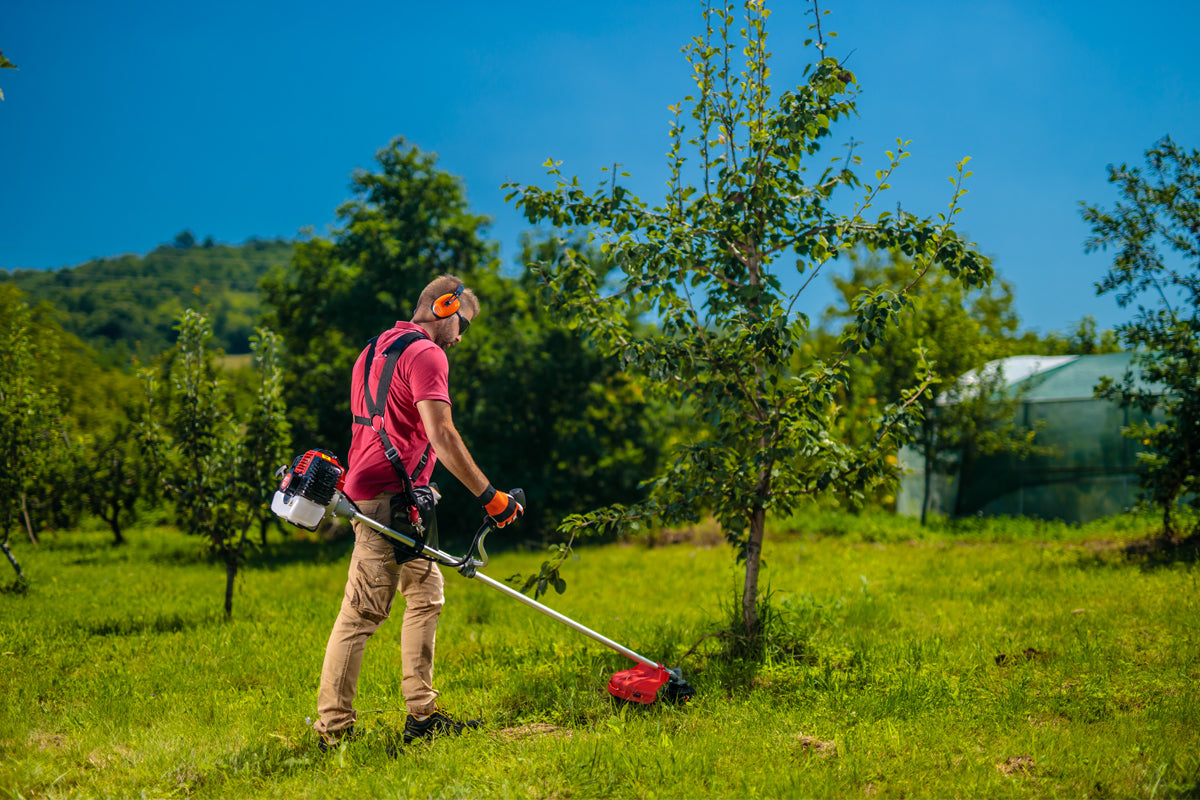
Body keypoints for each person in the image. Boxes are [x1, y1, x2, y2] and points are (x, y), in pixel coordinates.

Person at [313, 274, 523, 750]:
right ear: (445, 307)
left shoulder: (373, 349)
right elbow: (441, 434)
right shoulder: (428, 353)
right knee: (361, 613)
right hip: (386, 500)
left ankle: (422, 716)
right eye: (463, 325)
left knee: (426, 594)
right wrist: (490, 496)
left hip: (393, 496)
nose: (461, 338)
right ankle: (333, 731)